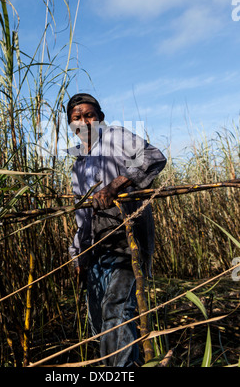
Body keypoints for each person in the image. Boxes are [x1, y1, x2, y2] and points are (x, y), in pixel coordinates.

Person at [67, 93, 166, 367]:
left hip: (127, 234)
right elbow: (82, 215)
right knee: (100, 318)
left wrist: (116, 185)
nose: (84, 122)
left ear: (100, 118)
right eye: (77, 118)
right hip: (98, 243)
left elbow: (153, 156)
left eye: (90, 115)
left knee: (117, 308)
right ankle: (127, 366)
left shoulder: (115, 137)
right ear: (71, 125)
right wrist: (79, 256)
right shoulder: (78, 164)